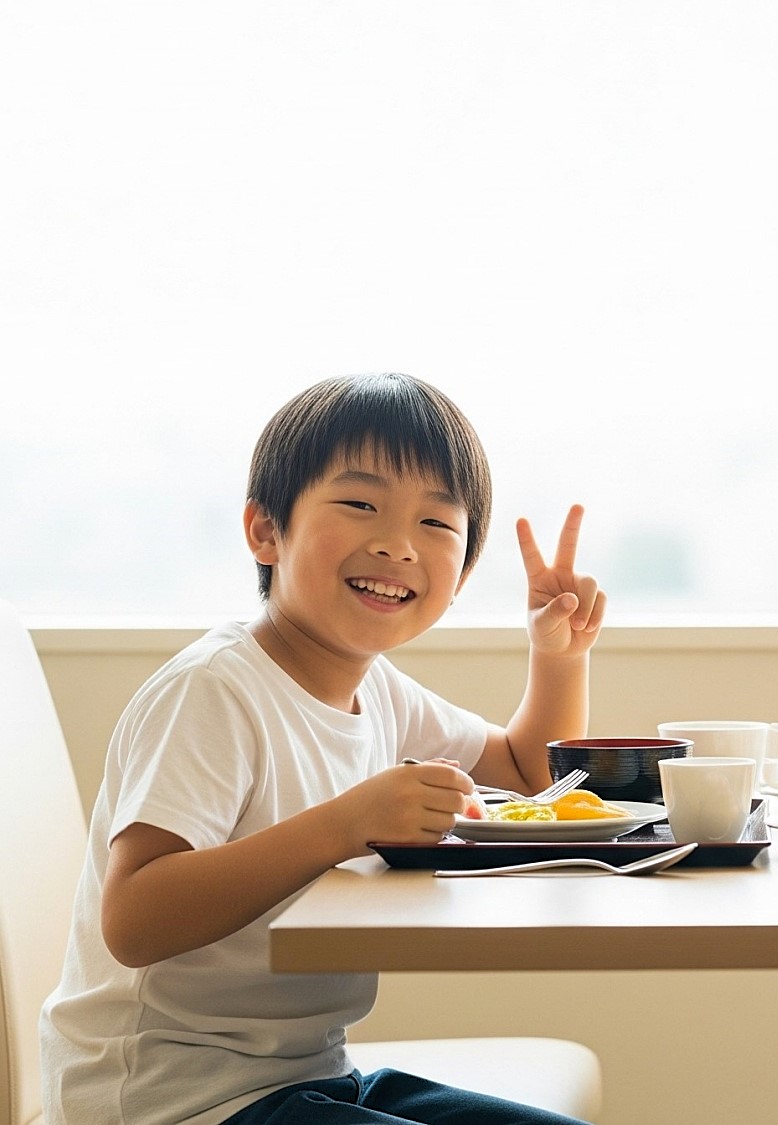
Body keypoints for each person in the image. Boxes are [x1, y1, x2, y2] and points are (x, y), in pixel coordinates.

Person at [40, 373, 611, 1125]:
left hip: (313, 1076)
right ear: (265, 531)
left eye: (437, 524)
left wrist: (559, 657)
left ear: (464, 571)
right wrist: (344, 823)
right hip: (172, 1100)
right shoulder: (215, 689)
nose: (397, 544)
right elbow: (135, 918)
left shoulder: (381, 692)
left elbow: (528, 773)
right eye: (360, 504)